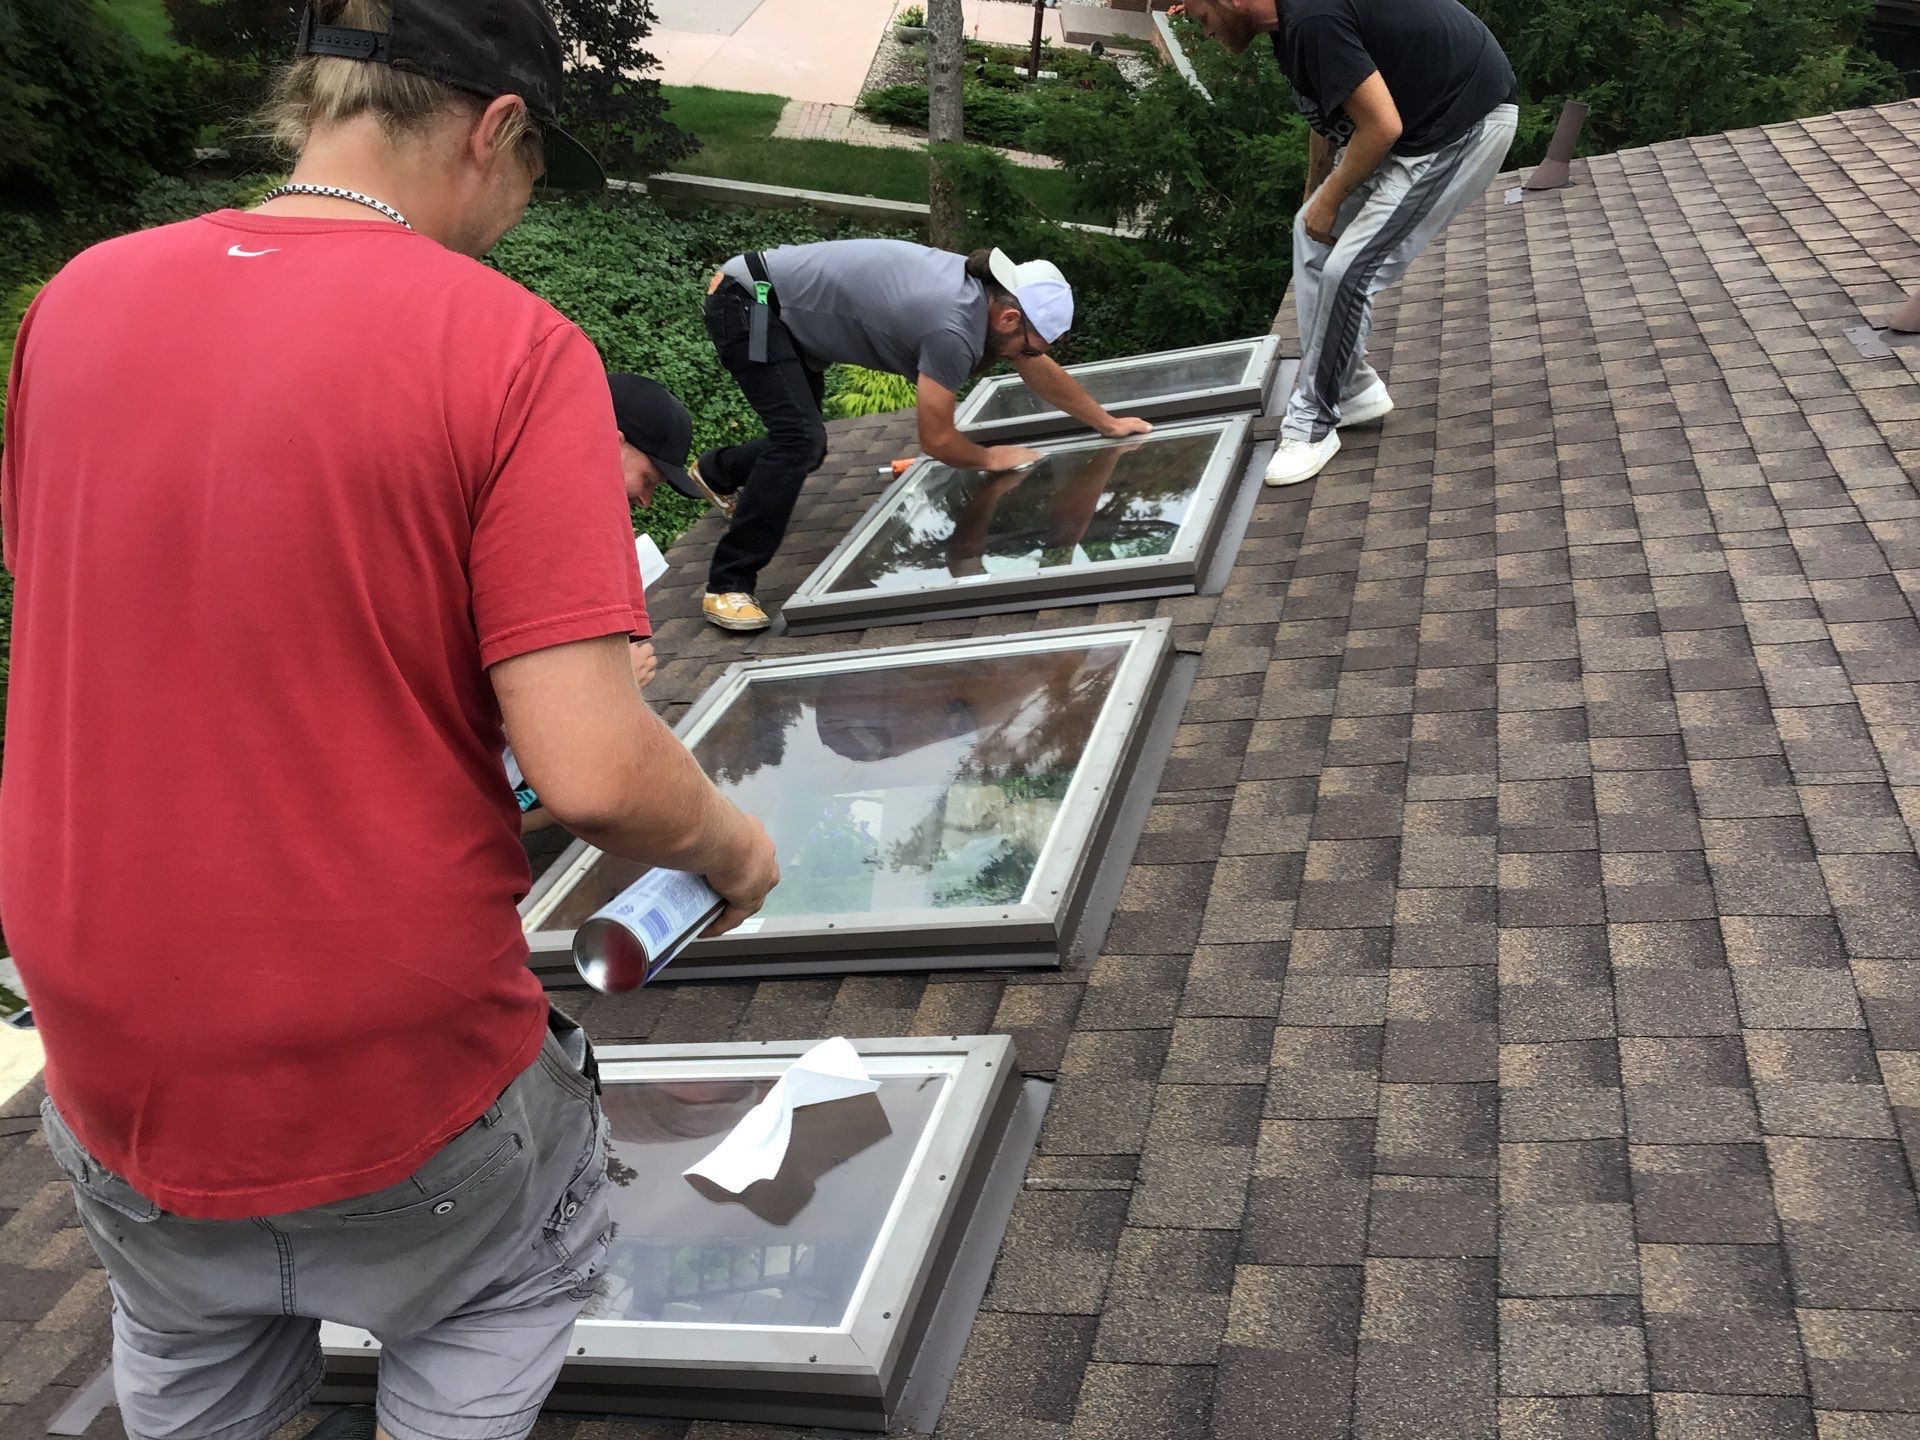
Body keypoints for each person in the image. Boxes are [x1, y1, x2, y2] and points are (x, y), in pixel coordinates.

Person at [0, 6, 779, 1440]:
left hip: (114, 1055)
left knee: (183, 1342)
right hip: (390, 1064)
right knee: (507, 1282)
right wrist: (731, 850)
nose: (519, 205)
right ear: (492, 129)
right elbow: (596, 774)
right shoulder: (509, 347)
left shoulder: (75, 298)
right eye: (532, 166)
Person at [687, 239, 1154, 632]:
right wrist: (992, 459)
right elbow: (937, 441)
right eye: (1025, 346)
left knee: (805, 442)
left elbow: (1037, 366)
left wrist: (1107, 425)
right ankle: (727, 585)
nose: (1022, 357)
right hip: (751, 301)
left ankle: (715, 472)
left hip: (778, 309)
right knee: (799, 441)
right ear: (1009, 319)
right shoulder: (951, 326)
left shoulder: (983, 296)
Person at [1182, 0, 1518, 486]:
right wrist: (1317, 200)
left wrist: (1331, 198)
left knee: (1351, 270)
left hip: (1463, 124)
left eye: (1197, 14)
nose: (1200, 28)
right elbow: (1333, 120)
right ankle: (1354, 390)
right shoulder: (1289, 27)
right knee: (1311, 231)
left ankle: (1313, 425)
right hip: (1417, 129)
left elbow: (1382, 125)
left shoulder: (1313, 17)